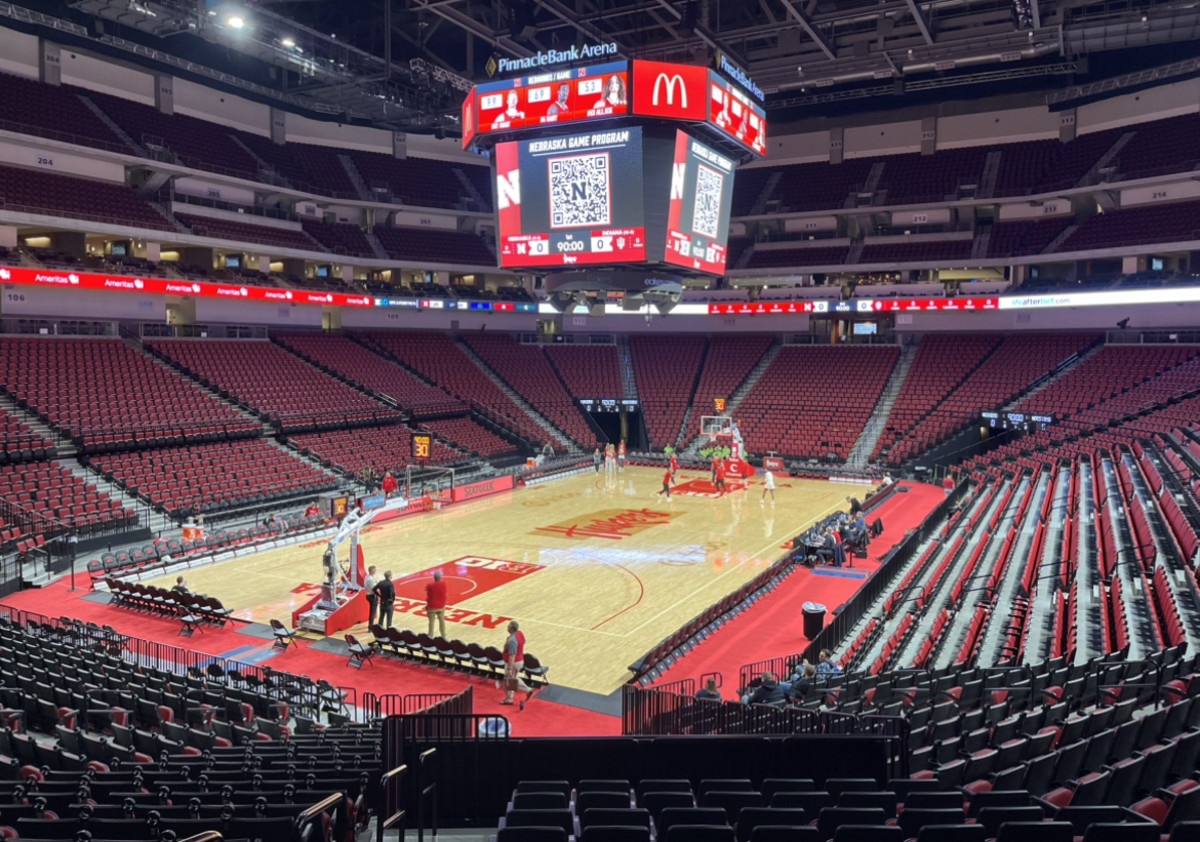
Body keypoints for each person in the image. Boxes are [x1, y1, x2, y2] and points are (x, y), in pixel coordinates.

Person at [501, 620, 535, 710]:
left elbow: (512, 655)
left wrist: (509, 668)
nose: (507, 628)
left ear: (511, 629)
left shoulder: (512, 641)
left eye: (508, 627)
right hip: (520, 660)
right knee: (513, 678)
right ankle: (512, 697)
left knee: (509, 680)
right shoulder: (520, 634)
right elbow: (524, 641)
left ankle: (510, 698)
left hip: (514, 662)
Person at [425, 570, 447, 638]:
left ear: (434, 577)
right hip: (441, 606)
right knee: (442, 620)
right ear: (440, 577)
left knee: (431, 622)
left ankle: (430, 635)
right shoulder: (444, 584)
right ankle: (443, 635)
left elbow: (427, 593)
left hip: (432, 606)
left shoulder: (430, 585)